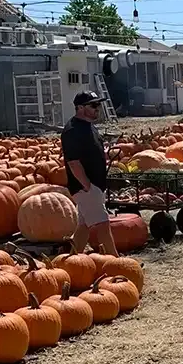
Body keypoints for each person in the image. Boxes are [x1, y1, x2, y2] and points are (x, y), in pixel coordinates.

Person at [61, 91, 119, 257]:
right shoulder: (72, 130)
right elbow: (73, 162)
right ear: (80, 108)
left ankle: (72, 261)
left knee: (83, 226)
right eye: (93, 105)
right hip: (85, 187)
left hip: (95, 186)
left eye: (98, 105)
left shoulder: (89, 126)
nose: (97, 108)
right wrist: (87, 186)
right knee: (103, 224)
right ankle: (117, 263)